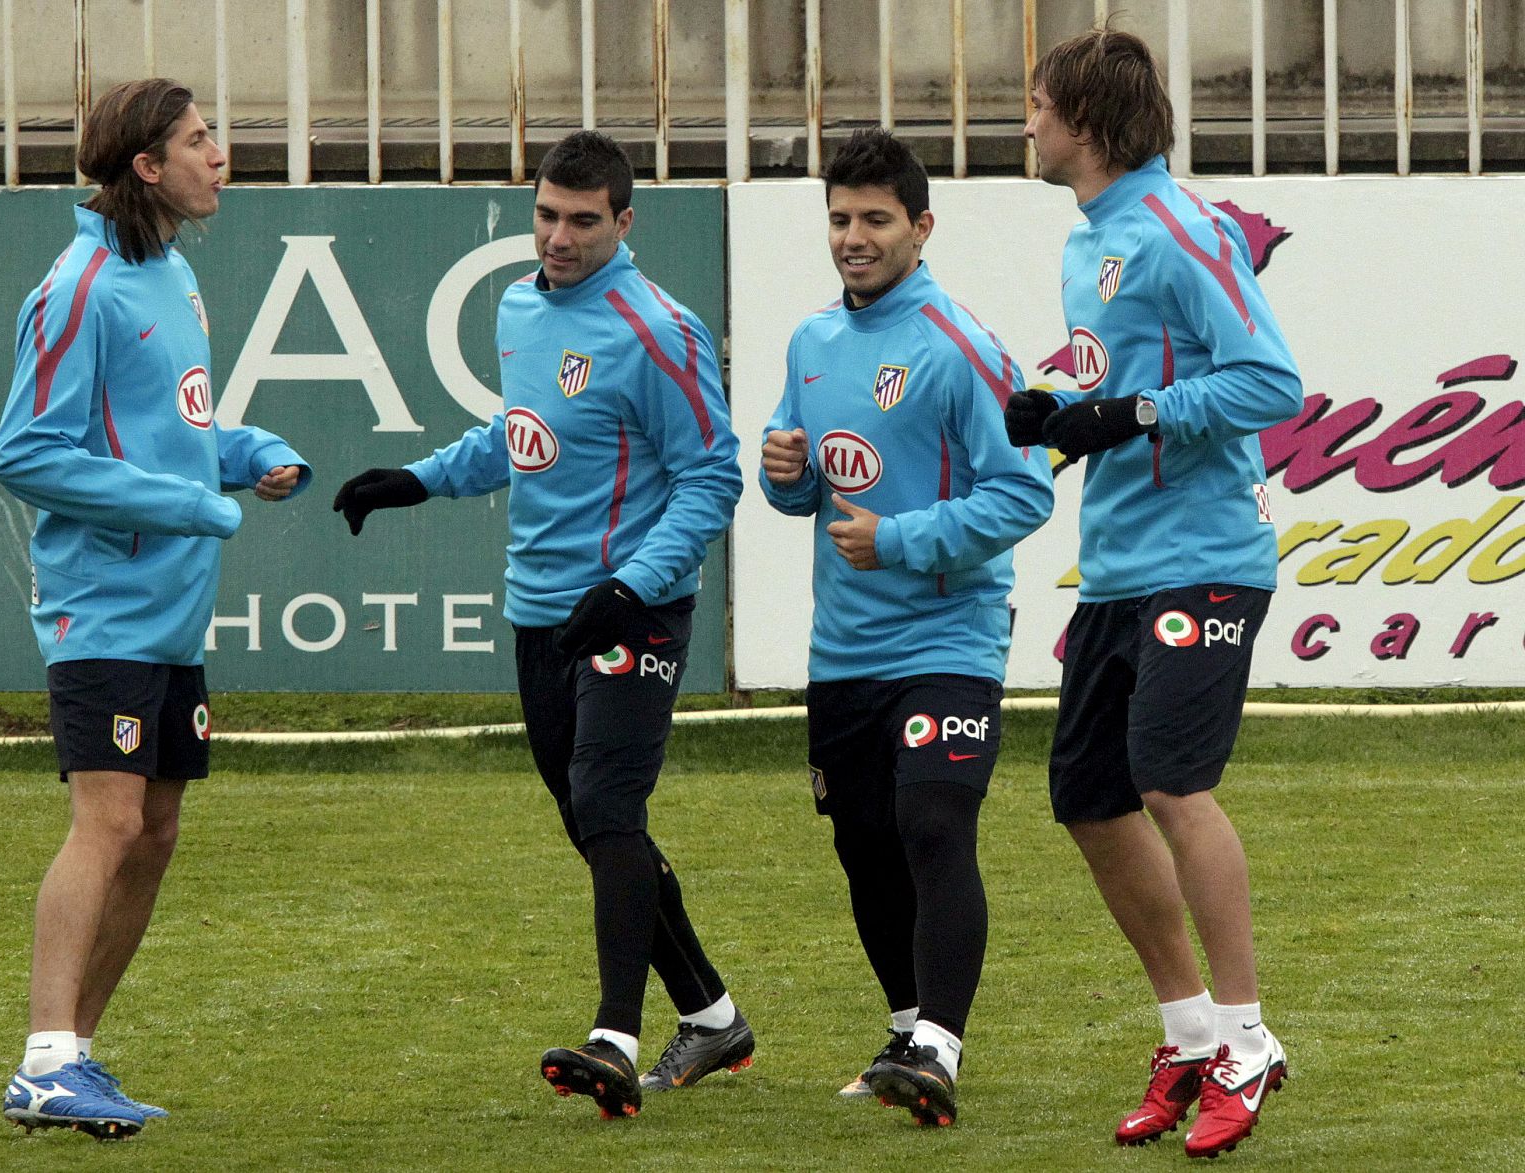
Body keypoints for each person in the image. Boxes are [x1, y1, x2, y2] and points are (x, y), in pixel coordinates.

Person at [334, 130, 750, 1121]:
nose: (557, 238)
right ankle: (714, 1015)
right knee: (591, 824)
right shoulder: (521, 307)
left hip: (632, 612)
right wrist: (419, 480)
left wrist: (634, 583)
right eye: (546, 216)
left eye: (582, 221)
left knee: (607, 807)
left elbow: (713, 476)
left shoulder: (659, 330)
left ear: (624, 222)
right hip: (541, 611)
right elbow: (518, 438)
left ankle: (614, 1036)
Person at [0, 79, 310, 1139]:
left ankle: (66, 1059)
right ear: (145, 165)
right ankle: (44, 1055)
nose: (220, 155)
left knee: (156, 829)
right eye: (199, 139)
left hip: (171, 606)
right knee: (111, 818)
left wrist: (246, 451)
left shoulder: (166, 271)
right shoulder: (80, 285)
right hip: (105, 603)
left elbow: (170, 431)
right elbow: (28, 452)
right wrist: (187, 503)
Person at [1013, 28, 1304, 1159]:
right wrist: (1052, 409)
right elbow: (1116, 382)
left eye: (1036, 106)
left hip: (1206, 554)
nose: (1025, 124)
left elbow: (1268, 380)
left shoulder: (1179, 228)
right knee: (1087, 796)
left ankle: (1247, 1036)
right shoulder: (1093, 241)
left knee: (1175, 786)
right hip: (1122, 563)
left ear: (1083, 122)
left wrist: (1127, 417)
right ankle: (1186, 1034)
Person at [760, 128, 1054, 1128]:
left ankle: (939, 1043)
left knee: (933, 825)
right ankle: (904, 1031)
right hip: (843, 649)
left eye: (875, 219)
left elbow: (1023, 494)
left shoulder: (961, 345)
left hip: (947, 637)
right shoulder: (811, 342)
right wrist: (783, 475)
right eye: (839, 219)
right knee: (865, 845)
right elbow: (801, 494)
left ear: (920, 228)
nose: (853, 237)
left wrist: (900, 541)